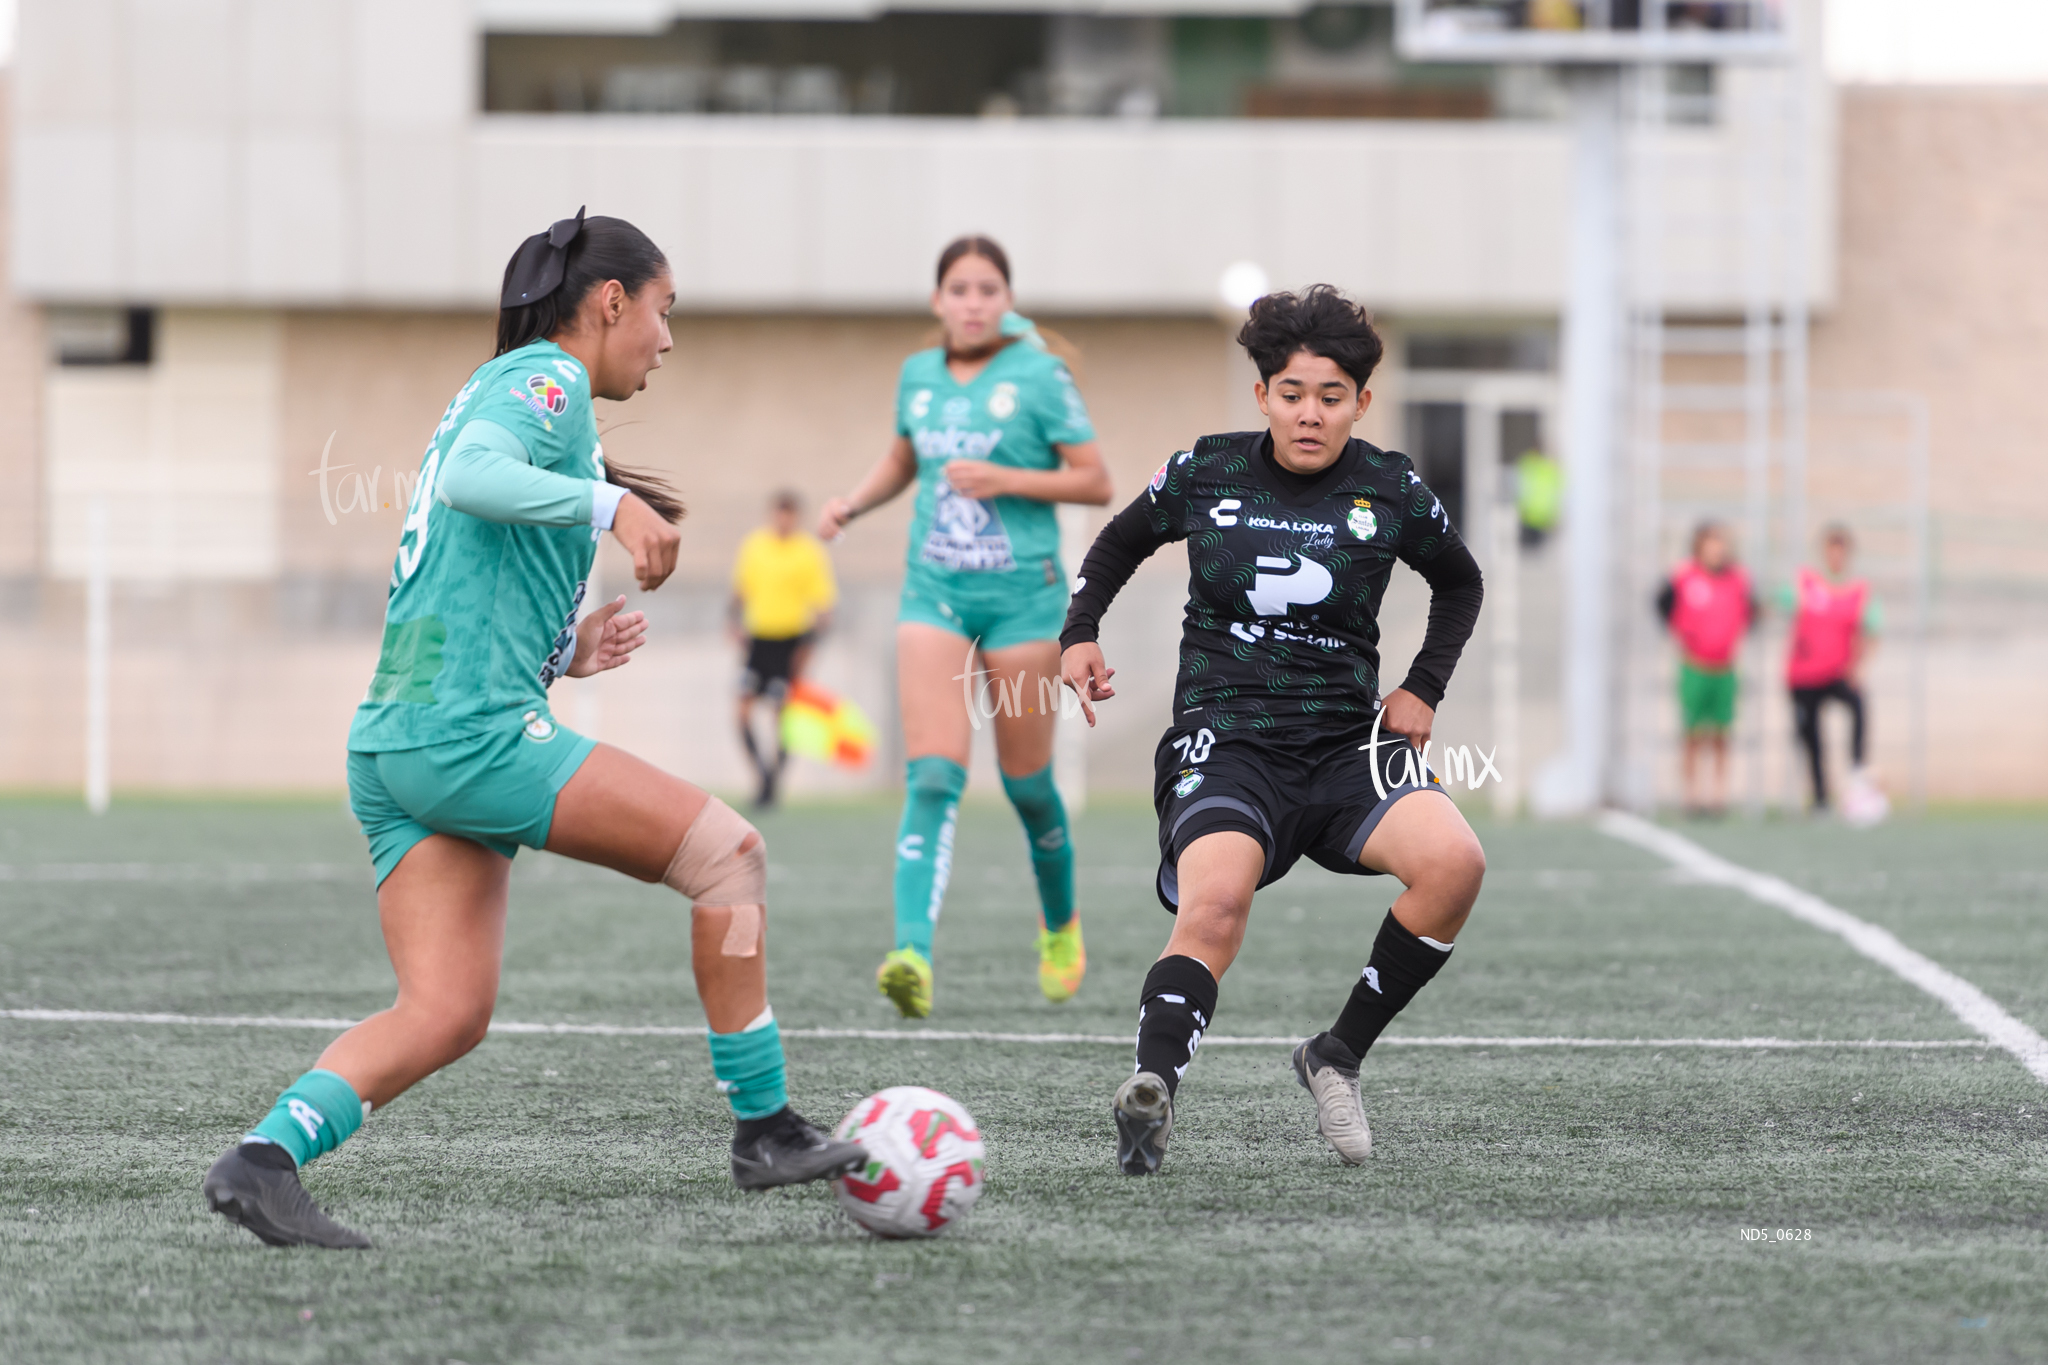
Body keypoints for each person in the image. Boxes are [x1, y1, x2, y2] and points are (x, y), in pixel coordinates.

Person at [200, 211, 862, 1250]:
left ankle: (263, 1159)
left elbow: (459, 561)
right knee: (729, 857)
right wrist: (610, 508)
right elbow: (471, 478)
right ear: (610, 303)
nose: (667, 338)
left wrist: (563, 653)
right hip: (468, 737)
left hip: (396, 742)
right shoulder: (541, 384)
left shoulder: (510, 391)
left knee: (446, 1010)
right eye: (663, 310)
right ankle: (765, 1127)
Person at [1059, 286, 1486, 1176]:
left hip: (1344, 750)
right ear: (1262, 395)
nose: (1309, 413)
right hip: (1228, 741)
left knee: (1456, 864)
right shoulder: (1204, 473)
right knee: (1216, 903)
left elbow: (1461, 582)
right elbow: (1117, 543)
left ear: (1361, 403)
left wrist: (1422, 687)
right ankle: (1153, 1091)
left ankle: (1336, 1054)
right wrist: (1080, 633)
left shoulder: (1389, 486)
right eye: (1292, 392)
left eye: (1331, 396)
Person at [818, 236, 1113, 1019]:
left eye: (988, 288)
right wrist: (852, 501)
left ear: (1006, 299)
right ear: (937, 301)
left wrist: (1007, 478)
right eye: (960, 288)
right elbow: (902, 459)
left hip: (1024, 603)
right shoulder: (918, 376)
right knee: (935, 774)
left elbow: (1096, 479)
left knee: (1027, 785)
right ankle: (910, 951)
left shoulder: (1041, 377)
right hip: (935, 594)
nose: (974, 302)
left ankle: (1060, 925)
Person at [730, 489, 837, 808]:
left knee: (782, 716)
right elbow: (740, 591)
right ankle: (762, 776)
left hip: (790, 642)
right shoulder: (754, 546)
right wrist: (732, 623)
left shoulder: (808, 552)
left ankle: (773, 784)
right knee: (742, 712)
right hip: (758, 640)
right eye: (779, 512)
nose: (783, 519)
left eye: (789, 513)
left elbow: (823, 606)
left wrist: (810, 647)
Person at [1655, 522, 1755, 817]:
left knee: (1722, 734)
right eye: (1711, 543)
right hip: (1694, 667)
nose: (1717, 549)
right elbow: (1662, 605)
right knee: (1693, 734)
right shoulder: (1685, 577)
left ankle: (1718, 796)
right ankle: (1691, 795)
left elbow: (1749, 611)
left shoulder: (1737, 579)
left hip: (1725, 668)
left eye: (1720, 543)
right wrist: (1682, 634)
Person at [1785, 523, 1884, 817]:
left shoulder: (1858, 590)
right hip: (1804, 675)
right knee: (1811, 736)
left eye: (1841, 552)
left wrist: (1860, 667)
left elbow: (1873, 630)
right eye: (1831, 551)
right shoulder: (1804, 582)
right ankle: (1819, 798)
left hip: (1837, 673)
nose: (1835, 557)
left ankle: (1856, 775)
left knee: (1858, 706)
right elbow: (1775, 602)